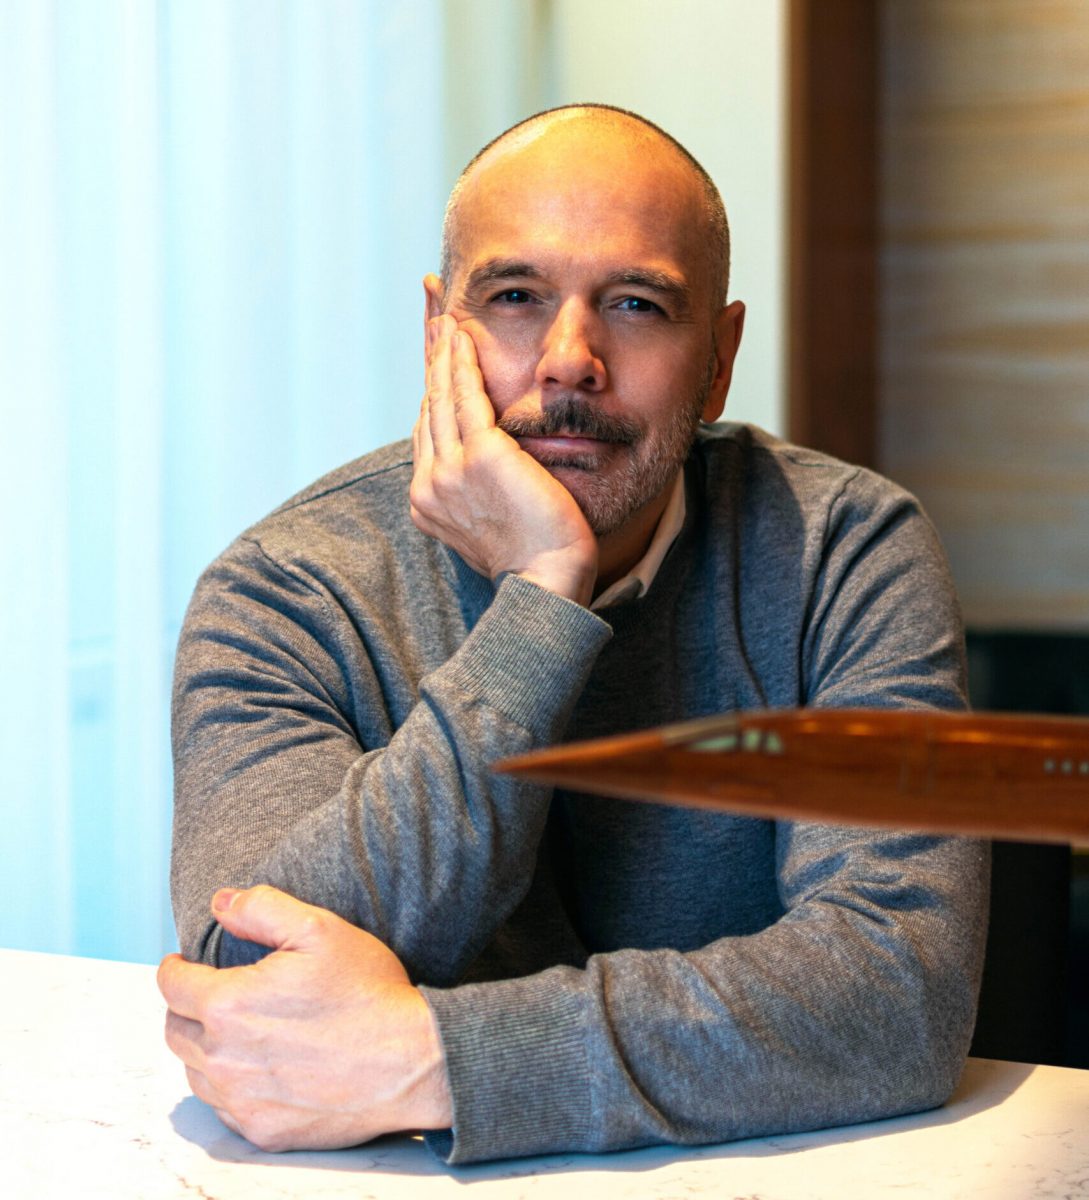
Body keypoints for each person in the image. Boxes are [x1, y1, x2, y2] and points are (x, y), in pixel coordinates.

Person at [158, 104, 988, 1164]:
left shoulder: (846, 552)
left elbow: (899, 988)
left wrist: (445, 1059)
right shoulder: (285, 590)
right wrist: (544, 602)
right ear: (436, 333)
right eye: (514, 298)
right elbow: (250, 985)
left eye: (637, 305)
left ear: (720, 360)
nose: (569, 362)